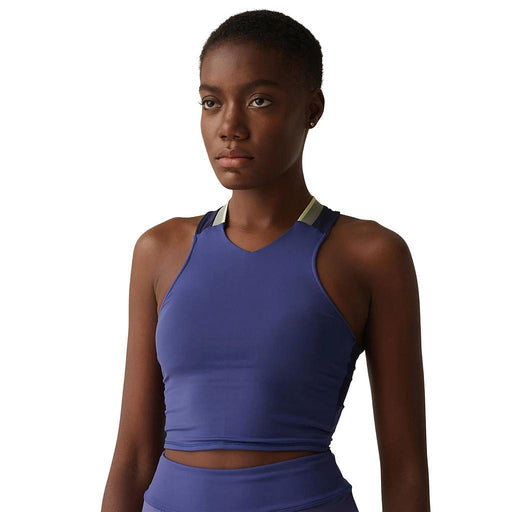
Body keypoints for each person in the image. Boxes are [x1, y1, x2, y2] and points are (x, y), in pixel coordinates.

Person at [101, 9, 430, 512]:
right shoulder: (159, 251)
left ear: (312, 109)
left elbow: (405, 469)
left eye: (259, 100)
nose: (229, 127)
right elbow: (133, 456)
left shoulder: (370, 255)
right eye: (211, 102)